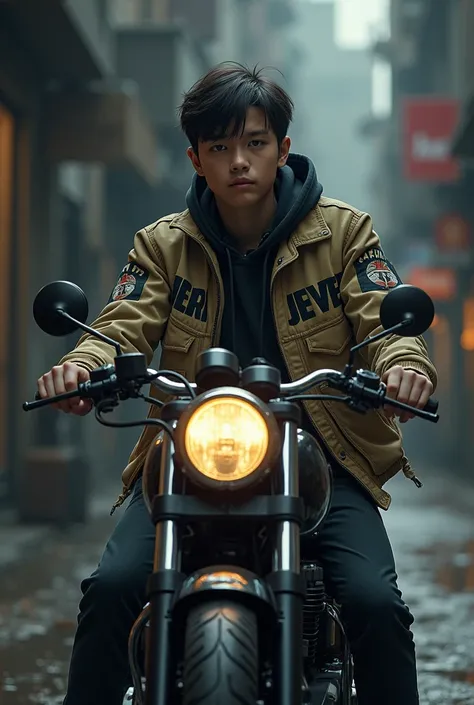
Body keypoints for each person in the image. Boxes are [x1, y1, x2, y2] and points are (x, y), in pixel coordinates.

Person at [37, 63, 437, 705]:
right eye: (219, 148)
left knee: (373, 602)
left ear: (283, 146)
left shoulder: (345, 234)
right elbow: (121, 325)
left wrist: (405, 367)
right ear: (196, 159)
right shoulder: (162, 246)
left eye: (254, 142)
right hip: (187, 455)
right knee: (111, 588)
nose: (239, 162)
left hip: (320, 459)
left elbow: (381, 314)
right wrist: (83, 365)